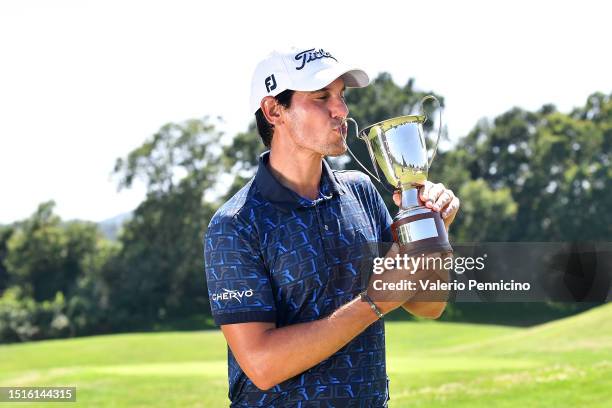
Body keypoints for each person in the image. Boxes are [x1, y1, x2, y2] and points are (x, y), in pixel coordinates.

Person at [204, 46, 460, 407]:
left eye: (340, 96)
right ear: (273, 110)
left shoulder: (361, 192)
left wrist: (429, 234)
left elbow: (427, 305)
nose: (341, 110)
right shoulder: (236, 225)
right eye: (322, 97)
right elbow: (262, 365)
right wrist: (372, 303)